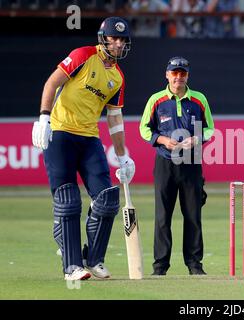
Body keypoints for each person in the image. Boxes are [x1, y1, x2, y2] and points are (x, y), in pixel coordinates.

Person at [31, 17, 136, 281]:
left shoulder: (118, 77)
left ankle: (94, 259)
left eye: (123, 39)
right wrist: (44, 117)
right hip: (61, 134)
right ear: (104, 38)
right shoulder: (83, 55)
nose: (119, 43)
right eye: (115, 38)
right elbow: (51, 83)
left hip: (89, 138)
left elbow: (114, 119)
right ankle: (71, 267)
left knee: (108, 199)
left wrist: (123, 155)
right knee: (69, 201)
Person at [139, 56, 214, 276]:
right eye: (174, 73)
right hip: (165, 163)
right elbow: (144, 128)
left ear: (187, 76)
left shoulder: (198, 99)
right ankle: (160, 266)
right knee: (163, 216)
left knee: (192, 216)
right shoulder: (157, 100)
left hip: (191, 163)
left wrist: (197, 139)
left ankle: (194, 265)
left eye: (182, 74)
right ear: (167, 75)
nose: (178, 77)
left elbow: (210, 128)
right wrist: (162, 140)